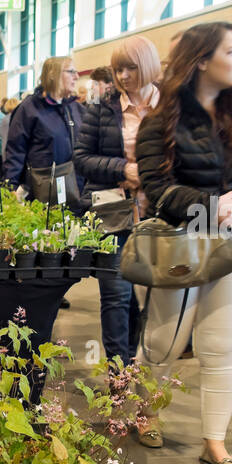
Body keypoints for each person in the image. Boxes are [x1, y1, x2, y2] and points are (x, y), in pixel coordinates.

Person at [135, 21, 232, 464]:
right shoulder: (161, 119)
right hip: (179, 247)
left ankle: (214, 443)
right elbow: (156, 187)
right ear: (201, 60)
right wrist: (209, 206)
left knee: (223, 346)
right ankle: (146, 413)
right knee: (164, 343)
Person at [74, 36, 162, 370]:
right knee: (116, 294)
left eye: (131, 68)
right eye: (118, 69)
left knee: (152, 296)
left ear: (148, 66)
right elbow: (82, 158)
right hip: (112, 210)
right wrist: (123, 169)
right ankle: (118, 373)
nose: (124, 76)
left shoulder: (171, 106)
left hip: (159, 214)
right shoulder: (102, 107)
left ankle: (137, 361)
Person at [2, 56, 85, 208]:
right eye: (71, 71)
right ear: (53, 74)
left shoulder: (76, 109)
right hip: (42, 192)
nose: (77, 76)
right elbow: (15, 150)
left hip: (76, 191)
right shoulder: (29, 109)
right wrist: (10, 187)